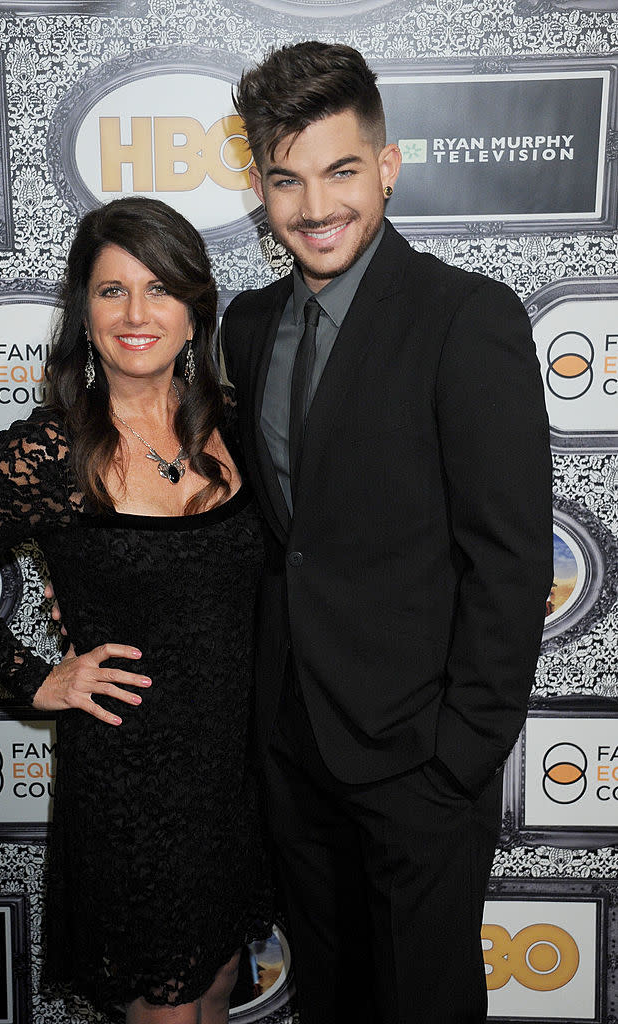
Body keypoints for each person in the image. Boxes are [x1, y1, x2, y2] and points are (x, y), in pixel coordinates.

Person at [220, 42, 553, 1024]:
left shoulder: (466, 318)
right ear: (259, 187)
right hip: (293, 747)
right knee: (330, 998)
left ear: (388, 166)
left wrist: (460, 756)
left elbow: (509, 557)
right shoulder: (245, 323)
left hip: (418, 759)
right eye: (287, 180)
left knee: (422, 1004)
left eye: (340, 171)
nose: (315, 206)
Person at [0, 197, 272, 1024]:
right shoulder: (48, 451)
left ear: (195, 309)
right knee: (165, 1008)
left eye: (159, 289)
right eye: (112, 291)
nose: (137, 314)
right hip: (130, 781)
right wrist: (36, 679)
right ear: (84, 310)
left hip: (238, 769)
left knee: (217, 983)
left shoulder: (242, 430)